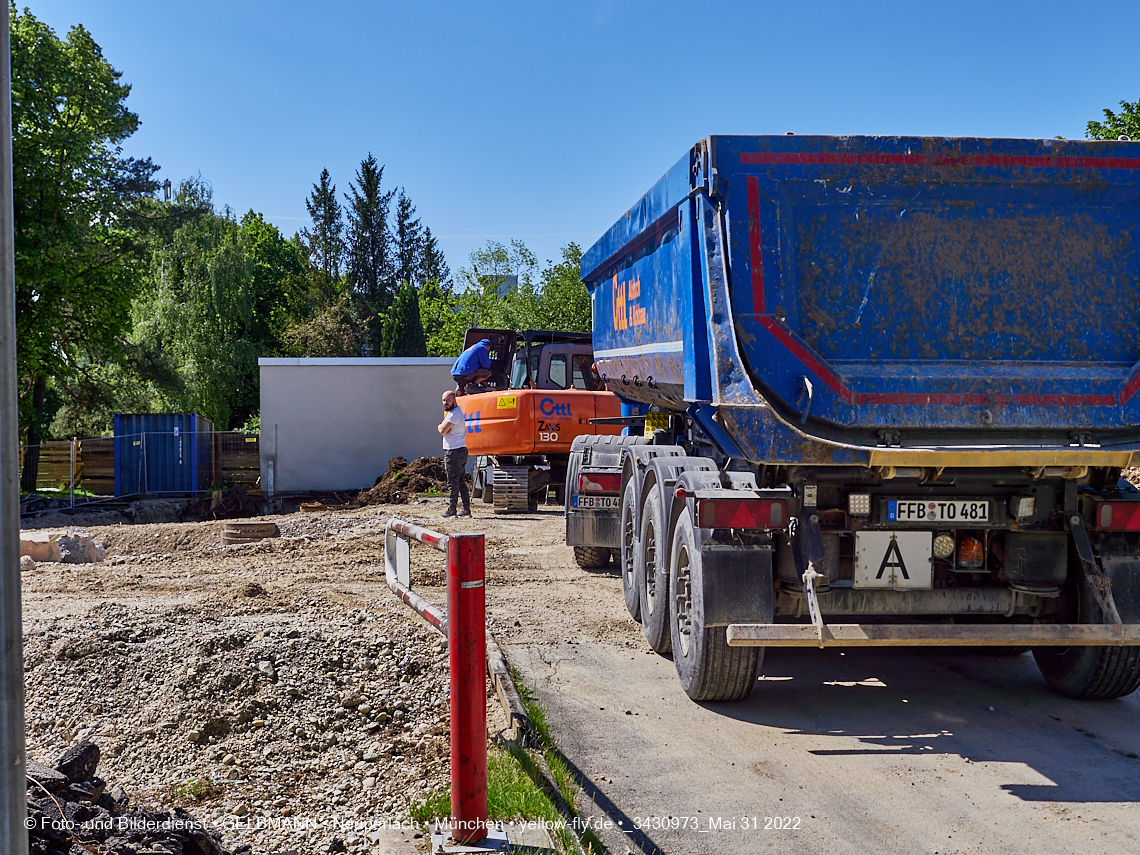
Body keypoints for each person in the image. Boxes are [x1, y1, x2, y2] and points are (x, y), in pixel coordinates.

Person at [438, 389, 470, 518]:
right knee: (461, 481)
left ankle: (452, 509)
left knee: (453, 481)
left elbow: (442, 430)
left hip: (454, 451)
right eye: (444, 400)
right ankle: (466, 509)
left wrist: (440, 425)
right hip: (461, 450)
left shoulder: (453, 414)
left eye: (448, 400)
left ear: (454, 399)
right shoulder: (458, 411)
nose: (445, 403)